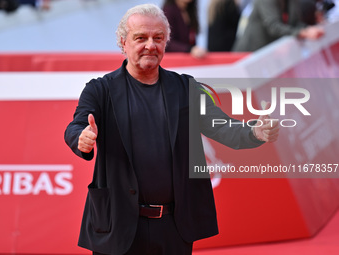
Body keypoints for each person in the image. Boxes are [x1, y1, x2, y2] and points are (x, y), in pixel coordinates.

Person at [64, 4, 279, 255]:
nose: (150, 45)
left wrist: (255, 131)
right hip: (116, 224)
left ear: (166, 42)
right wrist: (82, 137)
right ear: (123, 43)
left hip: (174, 227)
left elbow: (222, 127)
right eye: (140, 38)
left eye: (158, 38)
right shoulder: (100, 90)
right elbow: (76, 126)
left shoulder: (187, 87)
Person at [233, 0, 325, 52]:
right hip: (250, 52)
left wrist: (307, 28)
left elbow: (295, 23)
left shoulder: (292, 2)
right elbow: (274, 27)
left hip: (269, 52)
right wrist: (302, 33)